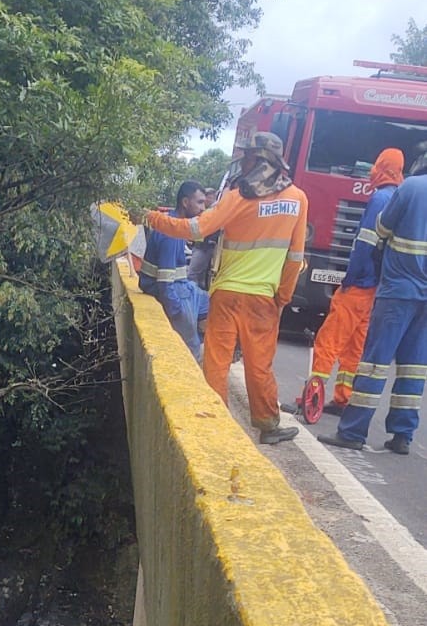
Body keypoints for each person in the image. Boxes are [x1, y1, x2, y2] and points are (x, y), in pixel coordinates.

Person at [141, 132, 308, 444]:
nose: (242, 162)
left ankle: (215, 422)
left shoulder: (238, 196)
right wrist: (283, 297)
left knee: (217, 359)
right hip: (263, 299)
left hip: (227, 293)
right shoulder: (298, 199)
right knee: (259, 364)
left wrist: (153, 218)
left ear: (256, 160)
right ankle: (268, 426)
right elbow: (295, 257)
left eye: (246, 157)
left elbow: (195, 228)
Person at [321, 148, 427, 456]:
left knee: (374, 363)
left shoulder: (410, 188)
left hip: (398, 290)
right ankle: (402, 435)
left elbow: (382, 228)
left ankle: (353, 431)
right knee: (414, 366)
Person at [302, 148, 404, 413]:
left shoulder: (380, 198)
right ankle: (344, 397)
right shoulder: (398, 197)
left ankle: (311, 397)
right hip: (377, 286)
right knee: (355, 345)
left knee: (329, 340)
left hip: (360, 283)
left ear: (381, 167)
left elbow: (364, 244)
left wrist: (349, 278)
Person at [138, 180, 210, 360]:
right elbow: (165, 284)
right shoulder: (171, 233)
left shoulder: (175, 224)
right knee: (190, 347)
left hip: (182, 286)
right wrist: (177, 312)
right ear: (185, 203)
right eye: (199, 202)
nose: (203, 208)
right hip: (173, 291)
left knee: (215, 305)